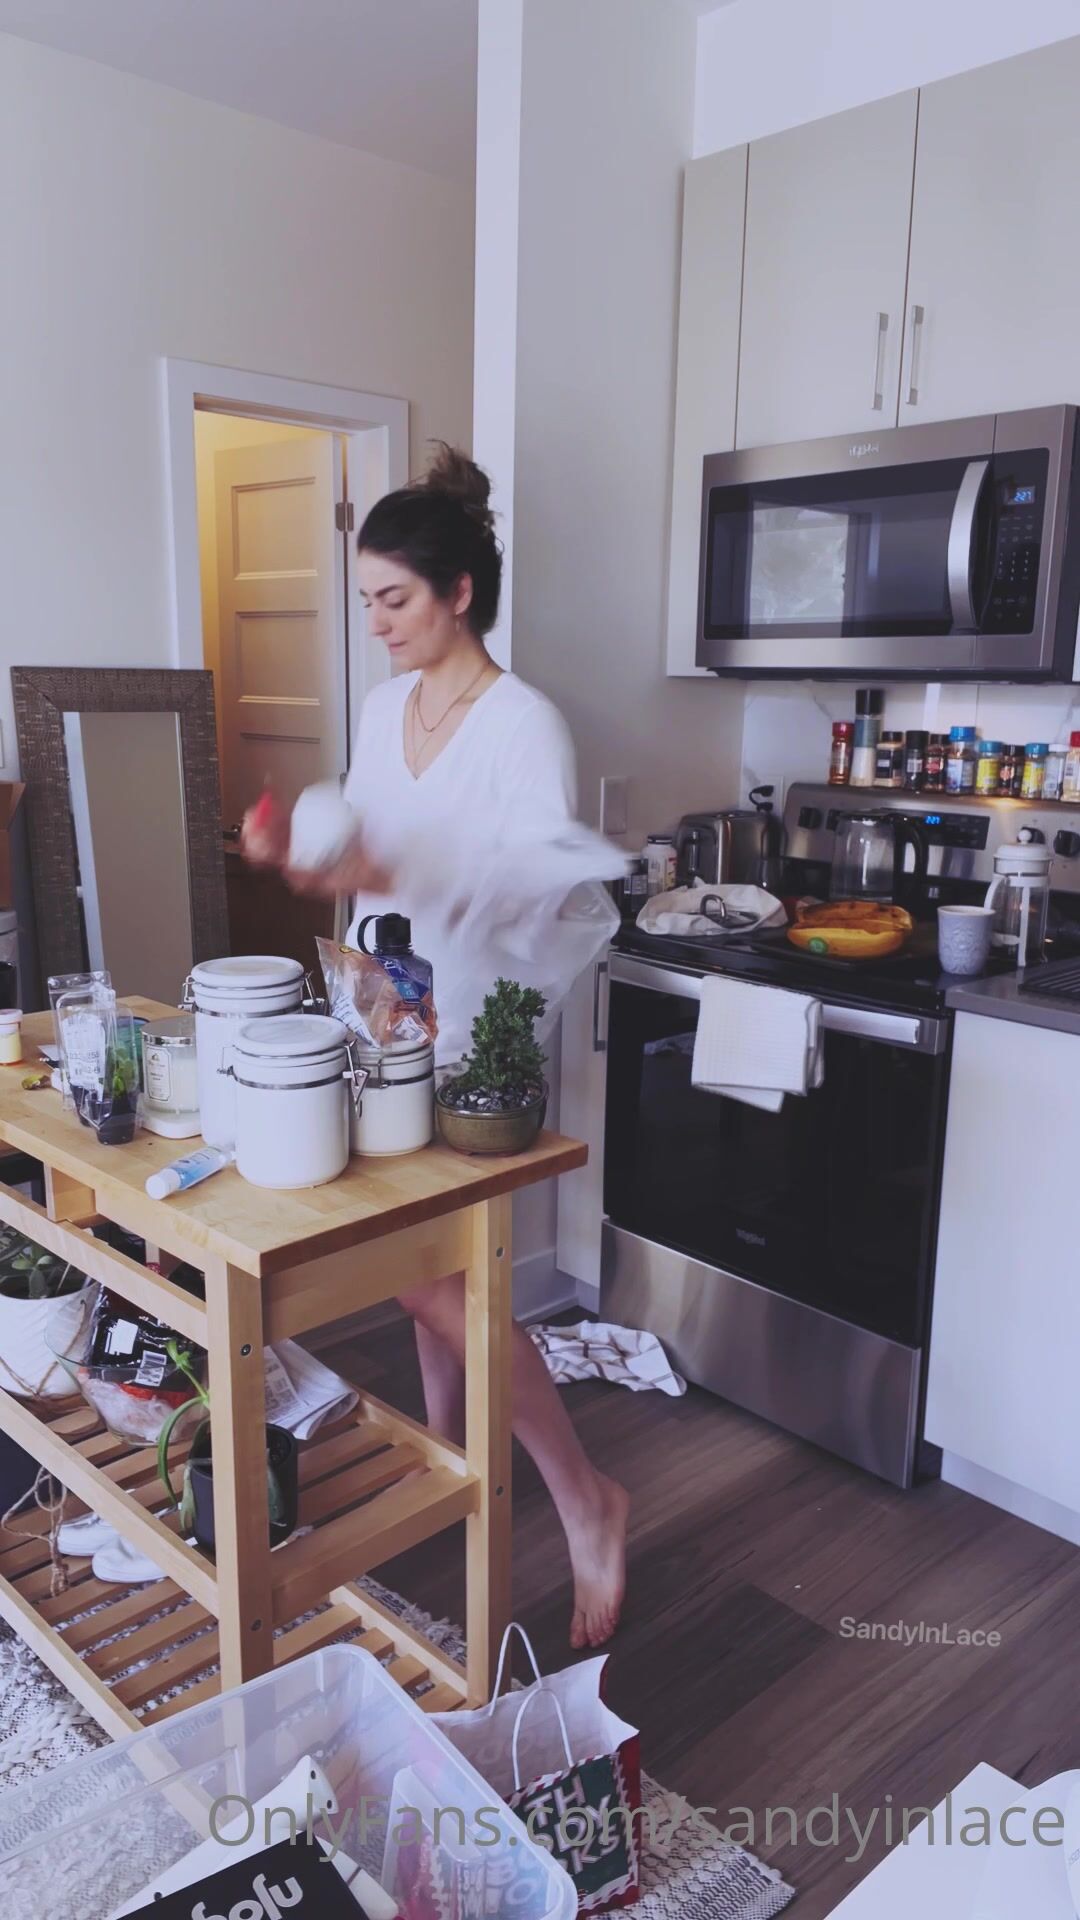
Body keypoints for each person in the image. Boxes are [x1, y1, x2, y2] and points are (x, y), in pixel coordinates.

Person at [242, 444, 628, 1650]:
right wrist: (308, 862)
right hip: (378, 1018)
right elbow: (365, 857)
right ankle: (452, 1456)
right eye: (366, 599)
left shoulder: (525, 727)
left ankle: (587, 1500)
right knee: (435, 1283)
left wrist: (394, 864)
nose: (375, 624)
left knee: (434, 1278)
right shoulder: (379, 710)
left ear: (459, 591)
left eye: (393, 599)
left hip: (471, 1037)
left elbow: (536, 900)